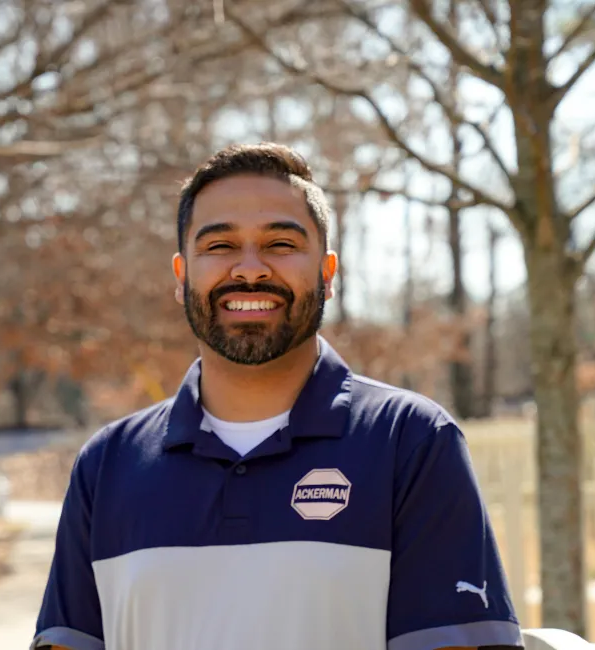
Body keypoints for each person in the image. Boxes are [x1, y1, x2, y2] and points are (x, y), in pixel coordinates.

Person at [31, 143, 521, 650]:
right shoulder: (107, 465)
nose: (249, 269)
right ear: (182, 278)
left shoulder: (411, 441)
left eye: (281, 244)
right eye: (219, 247)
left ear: (327, 275)